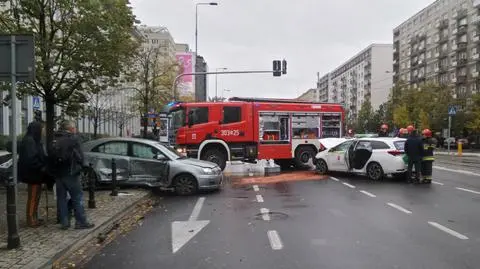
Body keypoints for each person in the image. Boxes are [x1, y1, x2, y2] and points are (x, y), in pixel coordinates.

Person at [51, 120, 94, 230]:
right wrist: (82, 165)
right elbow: (80, 156)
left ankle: (64, 222)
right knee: (77, 197)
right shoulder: (73, 139)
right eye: (74, 127)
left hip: (58, 174)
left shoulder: (55, 139)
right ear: (70, 129)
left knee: (61, 198)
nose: (76, 129)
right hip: (71, 173)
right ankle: (81, 222)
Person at [18, 122, 49, 227]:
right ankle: (31, 219)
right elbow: (31, 159)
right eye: (42, 129)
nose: (44, 131)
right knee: (33, 197)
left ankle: (34, 216)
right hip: (33, 174)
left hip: (37, 174)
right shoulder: (29, 141)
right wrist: (41, 166)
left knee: (36, 196)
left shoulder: (34, 140)